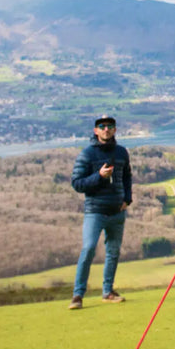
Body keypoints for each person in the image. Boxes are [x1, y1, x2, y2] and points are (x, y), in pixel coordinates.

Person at [70, 114, 131, 308]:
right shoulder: (87, 154)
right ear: (96, 130)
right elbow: (77, 184)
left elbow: (127, 177)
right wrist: (99, 176)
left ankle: (108, 291)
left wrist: (127, 199)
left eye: (110, 126)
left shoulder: (122, 152)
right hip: (95, 211)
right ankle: (78, 296)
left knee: (113, 252)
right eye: (102, 126)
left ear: (114, 129)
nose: (106, 129)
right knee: (88, 249)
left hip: (117, 211)